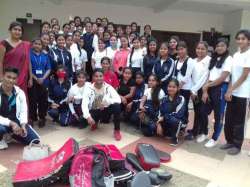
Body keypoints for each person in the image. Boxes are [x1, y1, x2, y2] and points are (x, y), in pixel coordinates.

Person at [221, 30, 250, 155]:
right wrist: (229, 90)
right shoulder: (237, 54)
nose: (240, 41)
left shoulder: (249, 54)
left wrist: (231, 89)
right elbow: (233, 75)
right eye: (238, 38)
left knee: (239, 121)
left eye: (243, 39)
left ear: (248, 40)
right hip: (233, 92)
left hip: (243, 93)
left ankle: (237, 145)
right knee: (229, 119)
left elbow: (244, 76)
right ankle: (229, 141)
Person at [201, 38, 233, 148]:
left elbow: (223, 77)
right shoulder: (213, 58)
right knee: (203, 111)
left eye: (222, 46)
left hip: (220, 88)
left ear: (227, 47)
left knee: (218, 116)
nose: (219, 48)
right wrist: (205, 91)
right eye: (218, 46)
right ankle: (205, 133)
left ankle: (214, 138)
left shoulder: (229, 59)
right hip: (209, 86)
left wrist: (208, 86)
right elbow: (208, 75)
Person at [0, 67, 40, 150]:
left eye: (14, 78)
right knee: (1, 129)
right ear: (3, 76)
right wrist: (11, 123)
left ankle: (10, 134)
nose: (11, 80)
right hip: (3, 123)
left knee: (35, 140)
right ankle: (1, 138)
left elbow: (23, 111)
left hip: (15, 123)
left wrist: (23, 125)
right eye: (8, 77)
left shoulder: (20, 93)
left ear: (17, 80)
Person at [81, 69, 122, 141]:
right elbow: (84, 104)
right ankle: (95, 122)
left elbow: (118, 99)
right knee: (82, 121)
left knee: (117, 106)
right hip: (94, 110)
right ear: (93, 77)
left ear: (103, 77)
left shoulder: (108, 87)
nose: (98, 78)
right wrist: (88, 117)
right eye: (96, 76)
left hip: (105, 111)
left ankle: (117, 130)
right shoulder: (88, 88)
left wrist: (107, 101)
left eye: (100, 76)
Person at [185, 41, 211, 141]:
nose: (200, 50)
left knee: (203, 111)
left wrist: (194, 90)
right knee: (197, 111)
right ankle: (196, 130)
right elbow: (190, 76)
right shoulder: (193, 60)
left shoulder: (209, 60)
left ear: (207, 50)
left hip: (204, 89)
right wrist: (193, 91)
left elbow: (205, 77)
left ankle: (204, 132)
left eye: (202, 49)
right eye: (198, 48)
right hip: (194, 90)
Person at [0, 21, 32, 96]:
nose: (17, 32)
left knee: (20, 98)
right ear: (10, 30)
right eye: (15, 29)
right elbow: (0, 62)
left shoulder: (26, 45)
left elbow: (28, 62)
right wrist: (1, 76)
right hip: (8, 77)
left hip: (23, 77)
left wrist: (30, 77)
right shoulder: (4, 44)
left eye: (19, 30)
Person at [29, 38, 51, 128]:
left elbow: (48, 68)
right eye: (35, 43)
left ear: (42, 46)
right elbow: (28, 68)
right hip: (32, 81)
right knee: (32, 101)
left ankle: (42, 118)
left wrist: (42, 78)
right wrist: (36, 78)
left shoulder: (45, 55)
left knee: (43, 101)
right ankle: (33, 118)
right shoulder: (28, 54)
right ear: (32, 44)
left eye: (39, 44)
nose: (37, 45)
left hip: (43, 81)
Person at [157, 78, 186, 146]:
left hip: (178, 120)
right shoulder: (164, 99)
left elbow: (179, 114)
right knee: (149, 130)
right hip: (166, 120)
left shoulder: (181, 99)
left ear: (178, 88)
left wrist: (164, 117)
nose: (171, 89)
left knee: (174, 120)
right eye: (169, 86)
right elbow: (159, 112)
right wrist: (158, 124)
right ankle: (167, 132)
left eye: (174, 87)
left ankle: (175, 138)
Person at [173, 41, 195, 125]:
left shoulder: (190, 61)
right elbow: (174, 75)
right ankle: (177, 123)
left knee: (184, 106)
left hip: (185, 88)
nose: (180, 51)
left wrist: (179, 86)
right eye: (178, 49)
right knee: (176, 105)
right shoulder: (176, 61)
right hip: (176, 87)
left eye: (182, 49)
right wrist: (174, 86)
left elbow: (187, 76)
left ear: (186, 49)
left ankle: (184, 123)